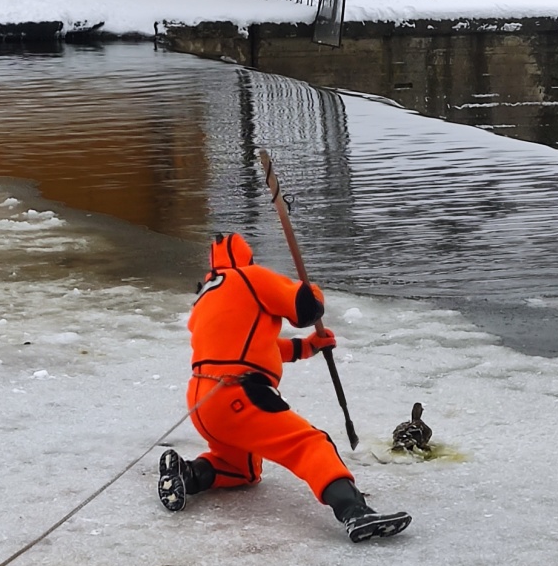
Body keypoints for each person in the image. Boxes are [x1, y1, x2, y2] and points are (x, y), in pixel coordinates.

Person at [158, 231, 412, 543]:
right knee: (309, 445)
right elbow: (304, 307)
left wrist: (307, 347)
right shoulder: (251, 277)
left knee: (242, 469)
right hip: (240, 394)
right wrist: (313, 292)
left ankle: (191, 474)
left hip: (202, 401)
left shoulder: (205, 296)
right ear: (246, 258)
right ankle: (355, 512)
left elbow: (253, 345)